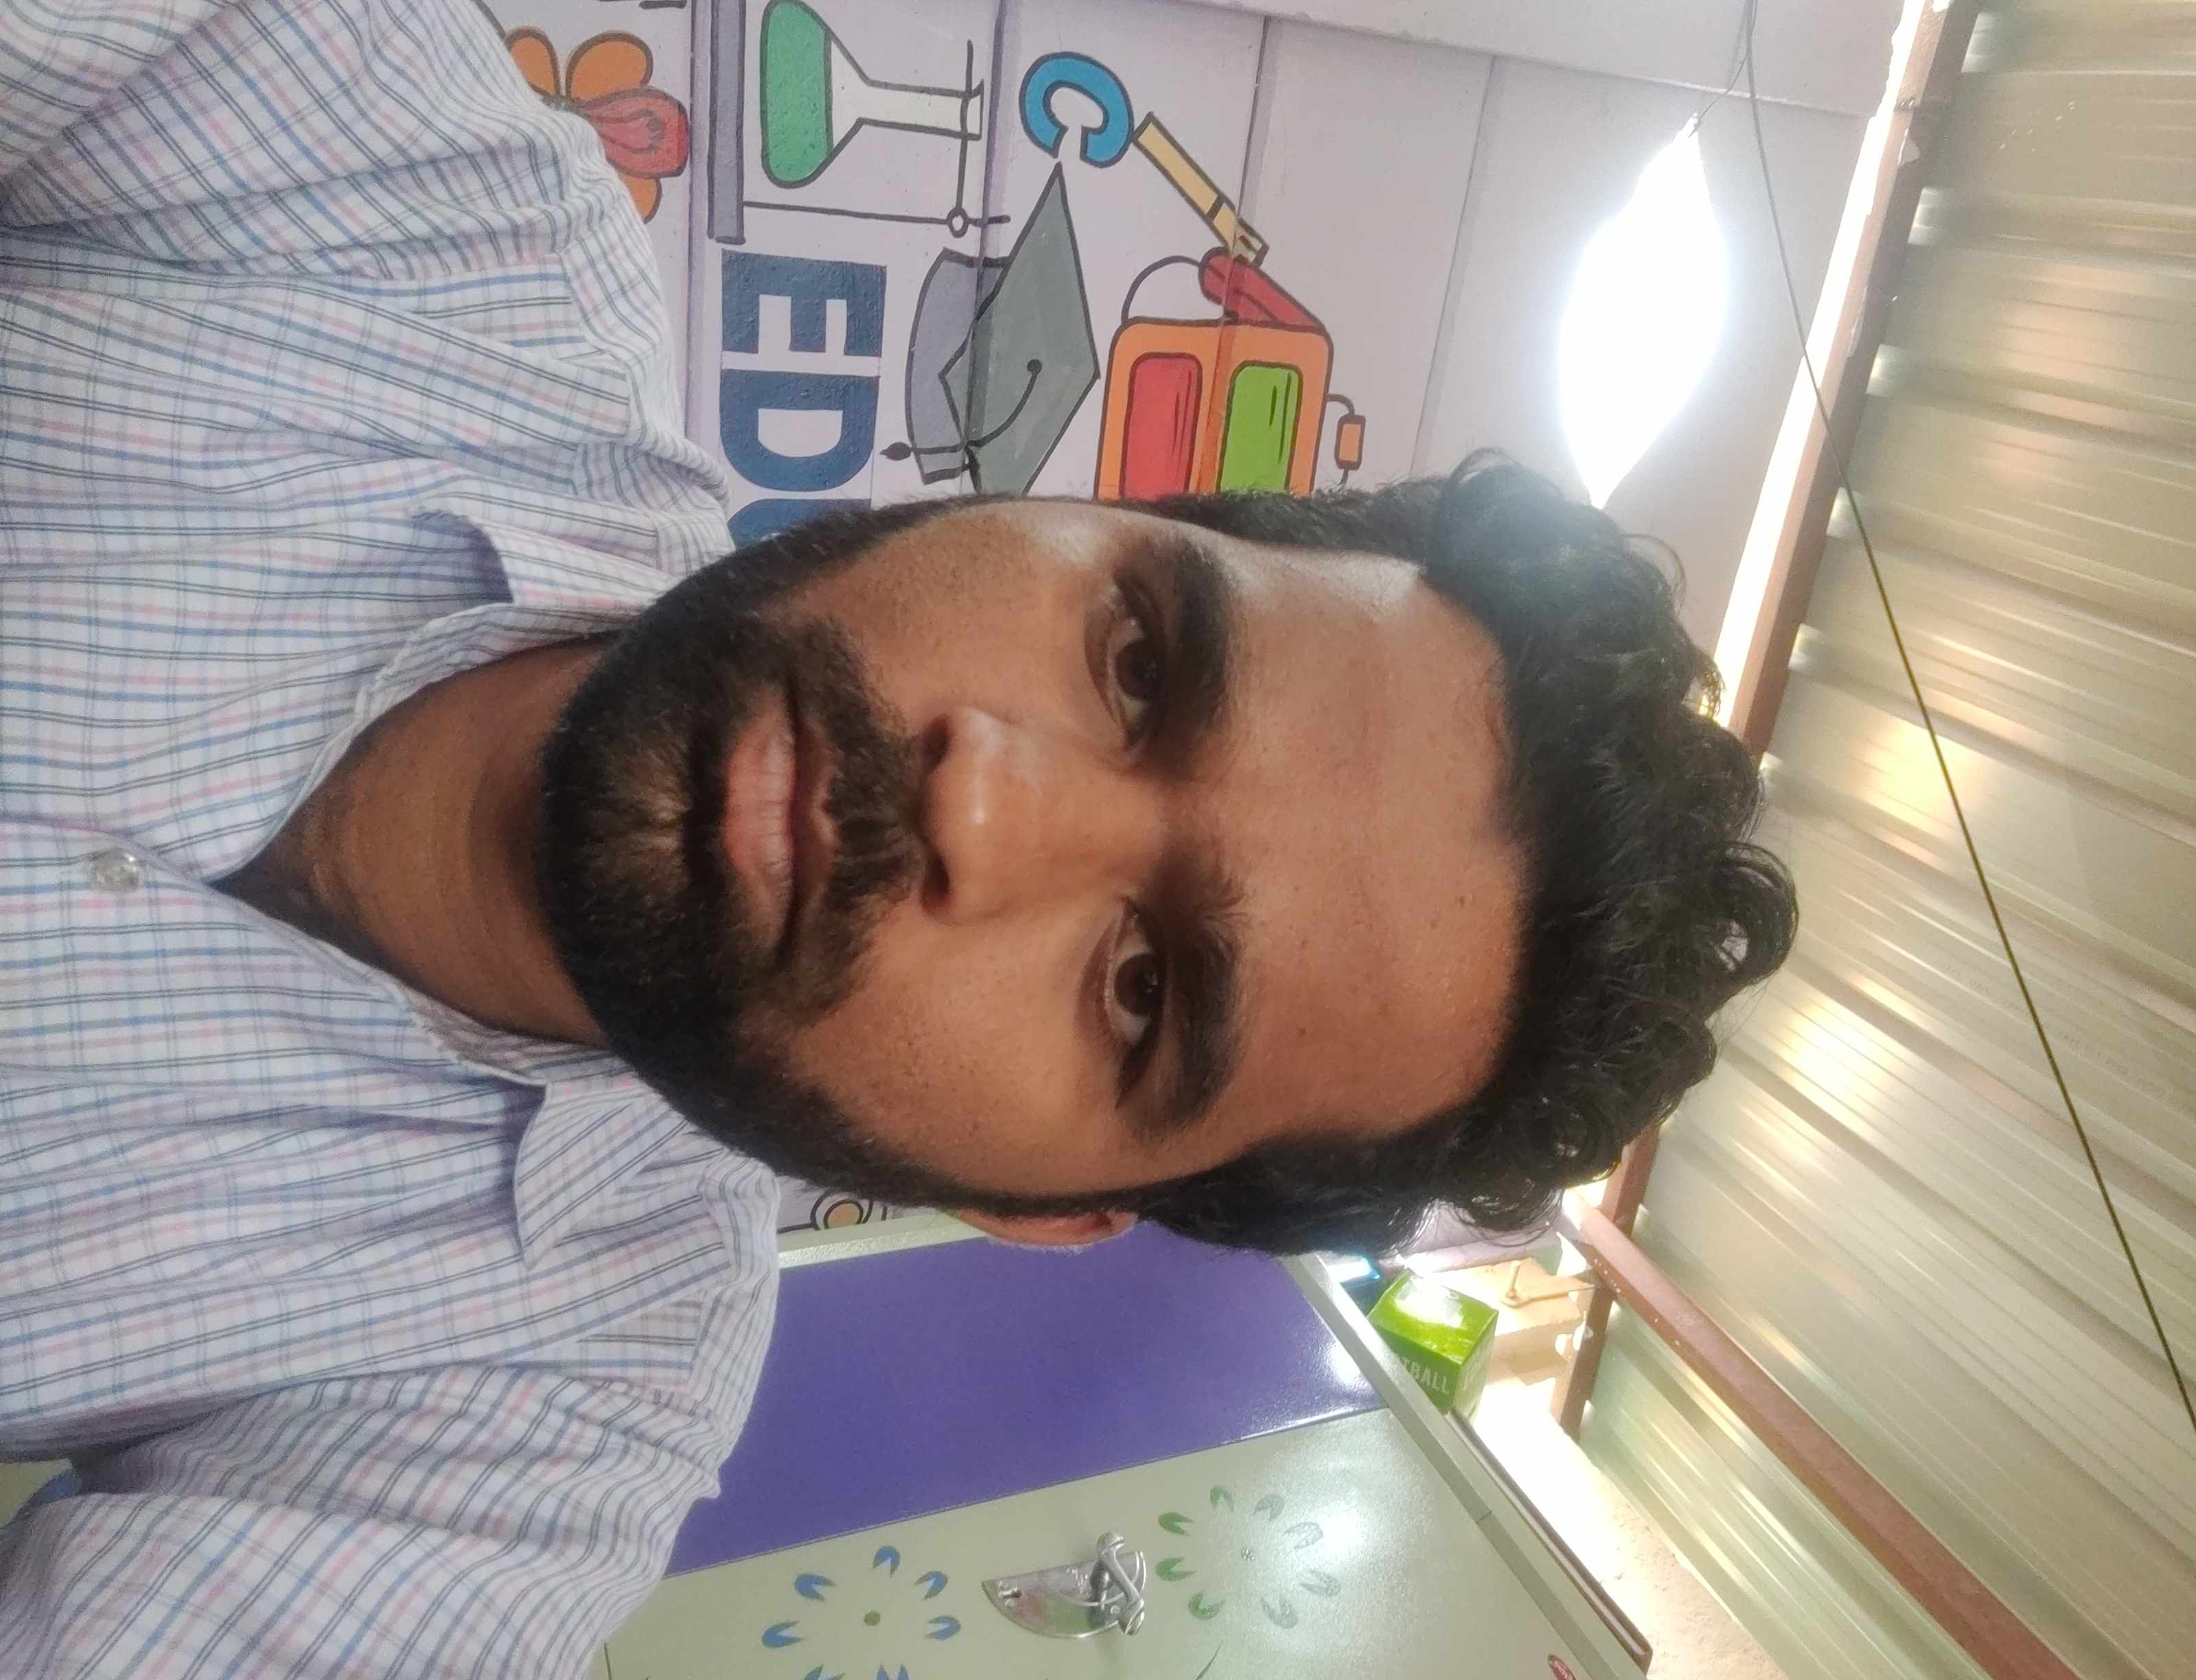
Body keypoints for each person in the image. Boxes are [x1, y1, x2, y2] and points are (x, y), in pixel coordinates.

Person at [0, 0, 1795, 1672]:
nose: (984, 800)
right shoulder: (441, 224)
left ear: (1042, 1208)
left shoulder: (547, 1442)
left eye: (1144, 988)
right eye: (1136, 659)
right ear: (1074, 508)